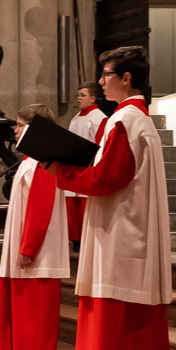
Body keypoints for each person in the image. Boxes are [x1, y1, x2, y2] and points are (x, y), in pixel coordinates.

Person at [46, 45, 173, 350]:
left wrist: (61, 172)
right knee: (125, 320)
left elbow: (108, 178)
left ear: (126, 78)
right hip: (126, 226)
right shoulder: (133, 119)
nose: (101, 81)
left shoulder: (125, 121)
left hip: (123, 230)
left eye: (106, 74)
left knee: (122, 321)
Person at [0, 105, 71, 350]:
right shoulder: (30, 159)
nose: (14, 130)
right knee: (27, 313)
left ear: (35, 129)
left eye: (19, 124)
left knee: (36, 314)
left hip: (40, 252)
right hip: (29, 249)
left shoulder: (43, 161)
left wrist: (28, 247)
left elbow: (40, 207)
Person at [64, 83, 106, 250]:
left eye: (82, 95)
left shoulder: (99, 118)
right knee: (72, 211)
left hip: (86, 169)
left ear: (92, 98)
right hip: (72, 168)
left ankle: (84, 244)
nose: (79, 98)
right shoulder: (76, 117)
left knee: (84, 210)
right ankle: (75, 243)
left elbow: (100, 145)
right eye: (78, 95)